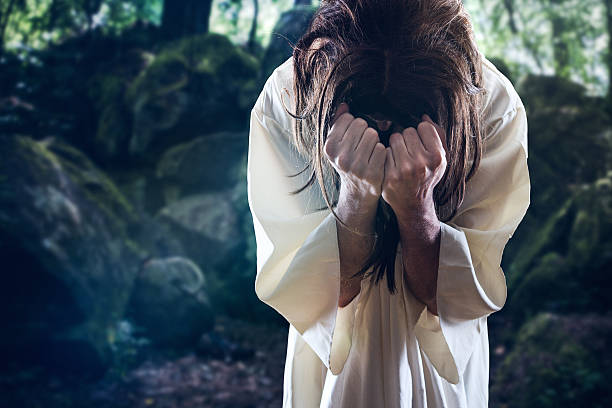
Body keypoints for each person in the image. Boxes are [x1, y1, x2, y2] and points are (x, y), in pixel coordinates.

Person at [246, 0, 531, 406]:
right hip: (333, 372)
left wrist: (417, 210)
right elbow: (315, 302)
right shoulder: (291, 96)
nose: (383, 130)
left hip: (439, 375)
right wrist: (355, 198)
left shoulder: (489, 103)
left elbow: (453, 302)